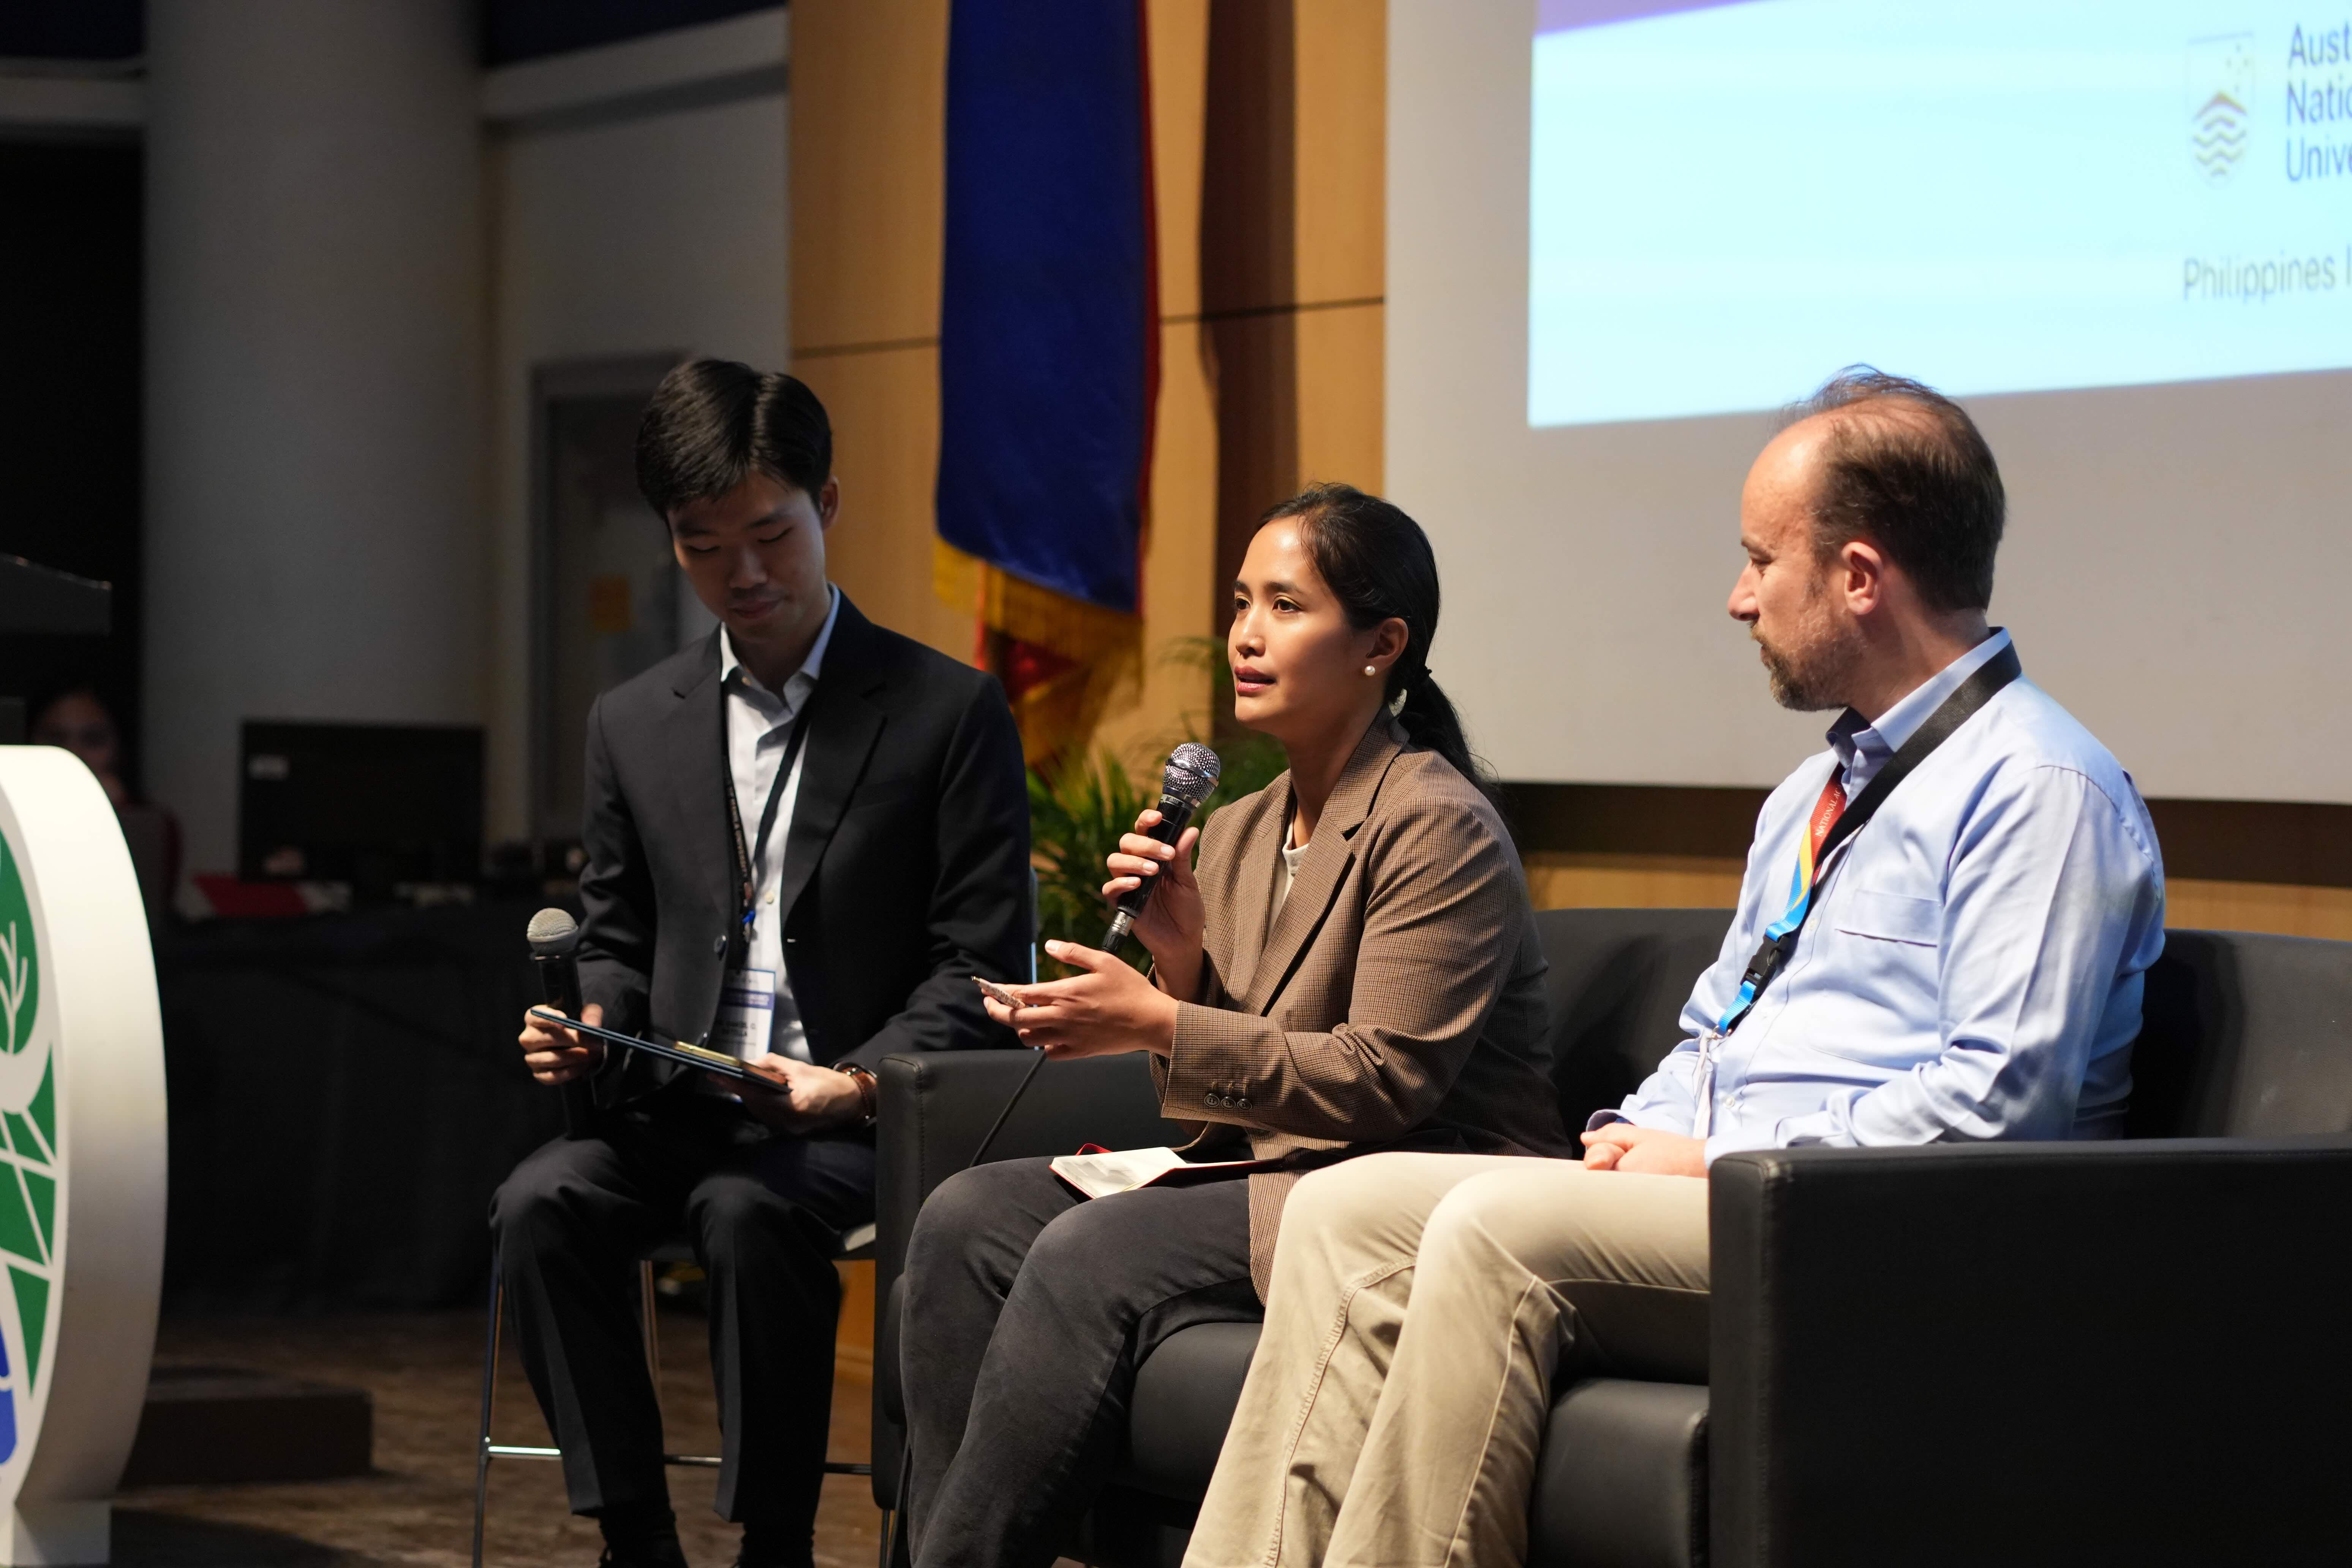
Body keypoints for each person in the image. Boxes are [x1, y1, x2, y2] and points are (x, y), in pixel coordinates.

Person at [1179, 369, 2168, 1568]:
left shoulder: (2038, 788)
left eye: (1763, 560)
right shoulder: (1814, 792)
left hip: (1888, 1231)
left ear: (1858, 577)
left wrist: (1712, 1159)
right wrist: (1627, 1134)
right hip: (1720, 1195)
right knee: (1342, 1208)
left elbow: (1999, 1109)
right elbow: (1715, 1031)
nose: (1738, 597)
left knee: (1493, 1222)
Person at [896, 482, 1575, 1568]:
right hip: (1277, 1167)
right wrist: (1179, 957)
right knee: (964, 1215)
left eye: (1287, 607)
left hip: (1404, 1183)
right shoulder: (1244, 825)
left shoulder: (1436, 824)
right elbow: (1248, 1049)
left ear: (1381, 645)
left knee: (1086, 1255)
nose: (1246, 638)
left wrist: (1161, 1019)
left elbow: (1381, 1082)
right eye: (1241, 602)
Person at [491, 359, 1032, 1568]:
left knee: (750, 1214)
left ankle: (775, 1542)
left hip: (843, 1119)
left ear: (829, 505)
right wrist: (591, 1015)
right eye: (702, 545)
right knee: (538, 1203)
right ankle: (636, 1534)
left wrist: (856, 1080)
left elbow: (979, 961)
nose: (743, 573)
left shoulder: (945, 712)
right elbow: (618, 930)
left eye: (771, 535)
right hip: (674, 1101)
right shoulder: (634, 719)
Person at [30, 684, 181, 918]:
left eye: (93, 740)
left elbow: (145, 915)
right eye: (55, 738)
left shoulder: (152, 826)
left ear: (120, 748)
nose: (73, 752)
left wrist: (111, 812)